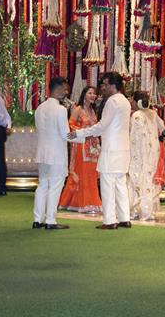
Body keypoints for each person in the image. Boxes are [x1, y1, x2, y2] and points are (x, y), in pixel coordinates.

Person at [68, 72, 131, 229]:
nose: (102, 88)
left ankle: (109, 221)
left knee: (108, 184)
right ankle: (125, 218)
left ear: (112, 85)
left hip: (111, 149)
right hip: (123, 149)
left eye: (104, 85)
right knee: (120, 184)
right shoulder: (125, 101)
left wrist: (80, 133)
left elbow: (102, 126)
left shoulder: (112, 102)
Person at [32, 77, 84, 230]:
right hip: (56, 154)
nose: (66, 92)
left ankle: (37, 219)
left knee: (42, 185)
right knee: (55, 186)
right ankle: (50, 220)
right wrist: (82, 136)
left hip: (42, 153)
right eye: (65, 89)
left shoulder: (40, 108)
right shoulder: (61, 110)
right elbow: (65, 134)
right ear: (59, 89)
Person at [59, 86, 102, 213]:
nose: (93, 96)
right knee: (82, 173)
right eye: (90, 93)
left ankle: (92, 201)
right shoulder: (78, 109)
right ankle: (80, 202)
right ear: (84, 94)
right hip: (81, 146)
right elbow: (71, 126)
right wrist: (83, 134)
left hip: (93, 147)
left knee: (92, 174)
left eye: (94, 94)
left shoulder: (94, 111)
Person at [128, 91, 165, 220]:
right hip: (153, 153)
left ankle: (136, 211)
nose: (131, 102)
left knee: (137, 178)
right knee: (149, 179)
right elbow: (163, 129)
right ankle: (148, 211)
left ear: (137, 101)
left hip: (139, 152)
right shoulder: (153, 114)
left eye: (132, 99)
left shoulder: (136, 115)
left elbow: (133, 137)